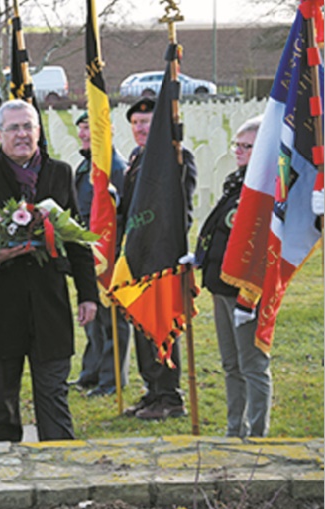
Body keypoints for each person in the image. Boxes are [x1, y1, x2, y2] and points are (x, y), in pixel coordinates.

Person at [0, 99, 98, 442]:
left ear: (38, 131)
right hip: (1, 307)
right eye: (14, 128)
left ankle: (61, 471)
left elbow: (76, 237)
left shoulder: (59, 173)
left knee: (54, 396)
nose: (22, 134)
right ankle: (4, 475)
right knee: (2, 402)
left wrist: (88, 294)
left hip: (49, 305)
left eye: (28, 126)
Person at [118, 97, 197, 421]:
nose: (139, 128)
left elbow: (183, 209)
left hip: (163, 256)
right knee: (142, 324)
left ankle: (170, 397)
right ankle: (152, 391)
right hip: (138, 257)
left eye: (146, 123)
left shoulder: (178, 156)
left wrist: (163, 245)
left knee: (163, 327)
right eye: (135, 123)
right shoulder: (137, 158)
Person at [192, 116, 270, 437]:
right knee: (230, 364)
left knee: (252, 366)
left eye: (247, 146)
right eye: (237, 145)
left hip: (245, 293)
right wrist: (199, 256)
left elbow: (263, 247)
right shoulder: (239, 182)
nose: (238, 151)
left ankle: (256, 436)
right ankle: (234, 429)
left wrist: (250, 299)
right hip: (221, 287)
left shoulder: (265, 188)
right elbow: (222, 229)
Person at [70, 111, 131, 398]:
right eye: (81, 129)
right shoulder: (85, 167)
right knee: (92, 318)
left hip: (110, 255)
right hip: (88, 253)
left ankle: (112, 380)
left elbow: (120, 214)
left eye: (89, 129)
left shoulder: (115, 168)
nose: (83, 134)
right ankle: (90, 374)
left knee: (112, 322)